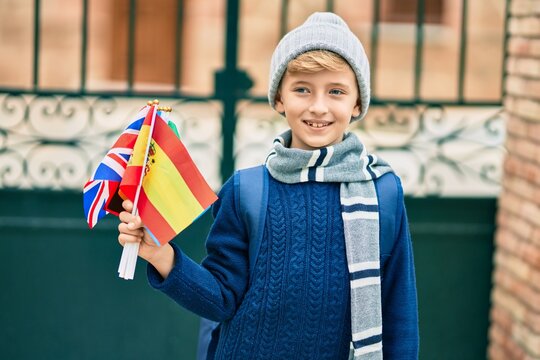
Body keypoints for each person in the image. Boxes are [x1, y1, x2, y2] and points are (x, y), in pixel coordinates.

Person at [118, 12, 419, 359]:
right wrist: (161, 254)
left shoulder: (383, 192)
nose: (318, 106)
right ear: (279, 99)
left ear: (356, 104)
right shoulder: (247, 191)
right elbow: (220, 299)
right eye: (302, 89)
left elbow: (400, 317)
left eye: (336, 91)